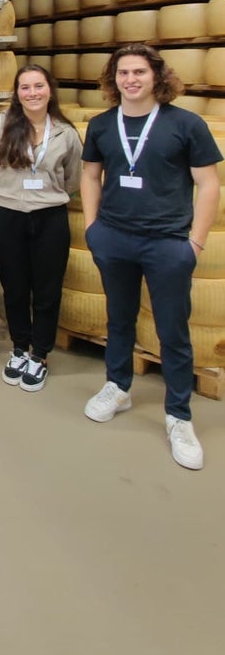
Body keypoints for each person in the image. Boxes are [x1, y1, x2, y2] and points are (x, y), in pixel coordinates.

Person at [81, 44, 221, 470]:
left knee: (172, 330)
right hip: (115, 238)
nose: (131, 80)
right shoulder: (102, 125)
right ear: (113, 79)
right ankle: (118, 386)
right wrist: (93, 228)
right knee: (118, 318)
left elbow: (209, 184)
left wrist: (195, 243)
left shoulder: (186, 124)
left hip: (167, 242)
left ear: (157, 76)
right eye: (123, 73)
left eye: (139, 72)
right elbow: (90, 176)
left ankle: (179, 416)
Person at [0, 65, 81, 392]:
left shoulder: (66, 133)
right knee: (14, 287)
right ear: (17, 92)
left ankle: (40, 354)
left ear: (50, 90)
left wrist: (46, 193)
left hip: (50, 216)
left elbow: (73, 179)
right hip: (7, 213)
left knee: (47, 290)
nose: (32, 93)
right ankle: (19, 348)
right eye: (25, 87)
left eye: (39, 86)